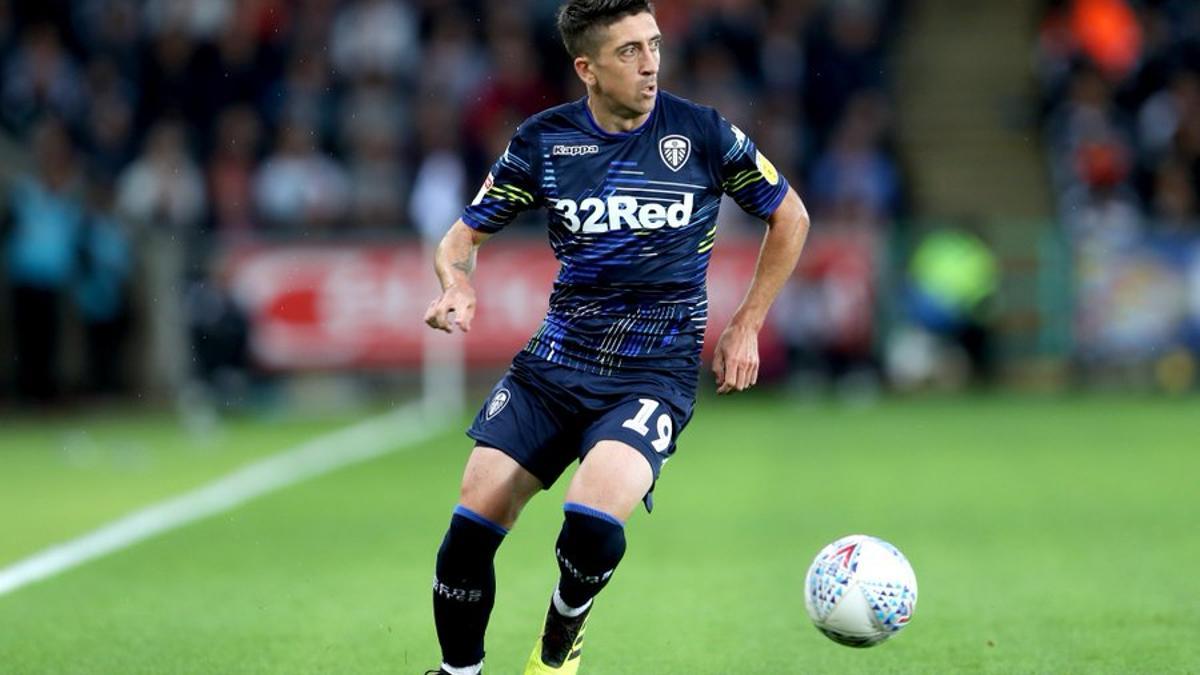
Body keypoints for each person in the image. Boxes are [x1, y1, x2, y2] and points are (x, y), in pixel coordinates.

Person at [422, 2, 810, 673]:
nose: (651, 61)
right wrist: (456, 282)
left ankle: (561, 632)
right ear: (587, 68)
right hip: (553, 365)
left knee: (593, 522)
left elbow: (790, 214)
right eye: (629, 50)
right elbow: (461, 238)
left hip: (651, 373)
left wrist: (746, 321)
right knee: (467, 533)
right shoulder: (545, 141)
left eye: (653, 44)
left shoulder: (702, 133)